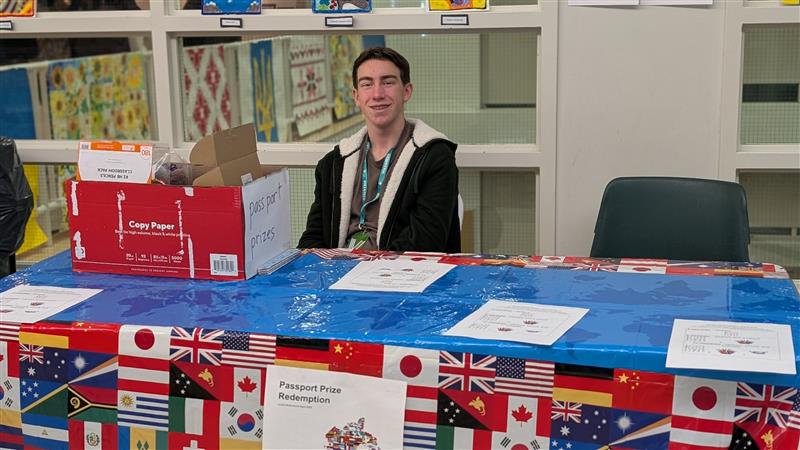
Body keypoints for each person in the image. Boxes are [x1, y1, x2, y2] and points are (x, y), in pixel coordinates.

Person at [299, 47, 460, 253]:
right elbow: (313, 237)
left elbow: (425, 243)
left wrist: (365, 266)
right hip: (338, 268)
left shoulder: (434, 157)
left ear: (406, 91)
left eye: (388, 82)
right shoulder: (332, 164)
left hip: (400, 271)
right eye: (367, 84)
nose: (377, 94)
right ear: (356, 96)